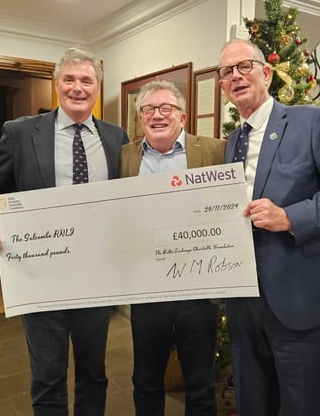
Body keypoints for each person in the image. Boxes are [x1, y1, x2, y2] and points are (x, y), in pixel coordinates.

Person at [0, 47, 129, 415]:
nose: (78, 87)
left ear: (96, 87)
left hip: (95, 277)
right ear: (57, 84)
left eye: (86, 80)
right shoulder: (21, 132)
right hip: (40, 276)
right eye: (70, 79)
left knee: (94, 374)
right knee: (47, 377)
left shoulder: (115, 137)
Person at [217, 39, 320, 416]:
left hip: (304, 302)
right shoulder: (233, 141)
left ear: (265, 73)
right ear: (222, 87)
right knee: (254, 404)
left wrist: (289, 218)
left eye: (244, 66)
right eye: (226, 72)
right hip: (246, 303)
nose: (235, 75)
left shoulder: (311, 121)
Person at [120, 80, 226, 416]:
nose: (157, 115)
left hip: (197, 290)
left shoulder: (213, 150)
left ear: (182, 116)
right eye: (148, 109)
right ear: (140, 118)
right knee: (146, 380)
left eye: (166, 108)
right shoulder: (125, 158)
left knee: (200, 383)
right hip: (148, 290)